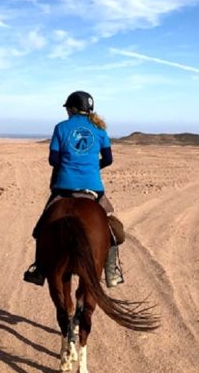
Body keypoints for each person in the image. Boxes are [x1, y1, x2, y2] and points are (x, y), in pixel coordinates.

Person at [23, 91, 125, 287]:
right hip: (94, 188)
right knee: (111, 230)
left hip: (64, 187)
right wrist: (93, 167)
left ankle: (39, 269)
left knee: (42, 227)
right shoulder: (100, 129)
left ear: (71, 109)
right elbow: (109, 159)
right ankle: (111, 272)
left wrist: (70, 165)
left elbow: (53, 160)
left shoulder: (61, 128)